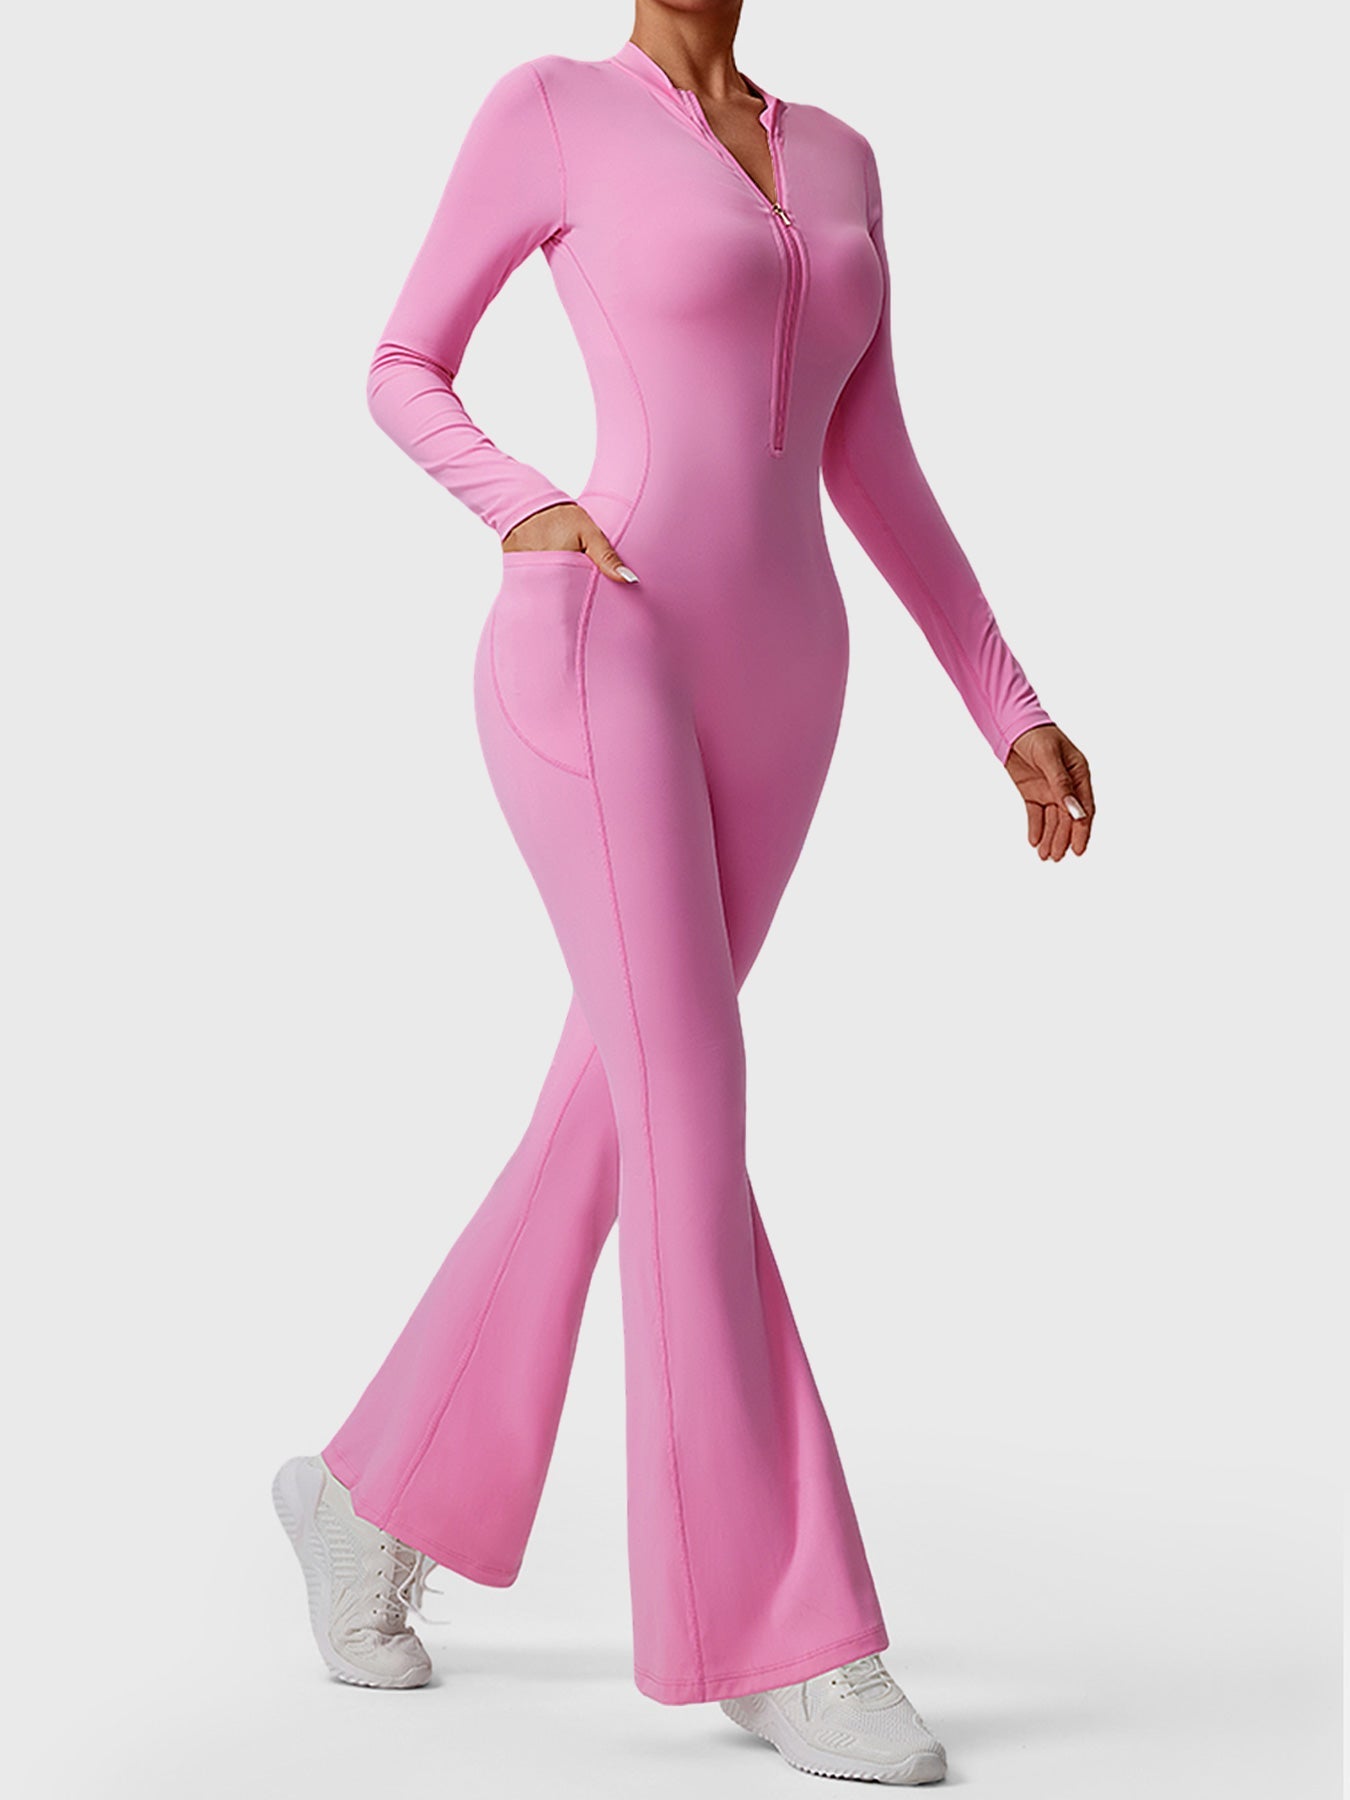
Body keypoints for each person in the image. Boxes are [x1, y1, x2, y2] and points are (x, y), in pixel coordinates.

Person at [273, 2, 1094, 1784]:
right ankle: (783, 1632)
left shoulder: (841, 155)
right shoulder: (551, 107)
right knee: (692, 1112)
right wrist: (518, 503)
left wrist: (1006, 702)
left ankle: (360, 1495)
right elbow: (403, 361)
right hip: (599, 646)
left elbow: (872, 461)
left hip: (789, 680)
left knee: (617, 1118)